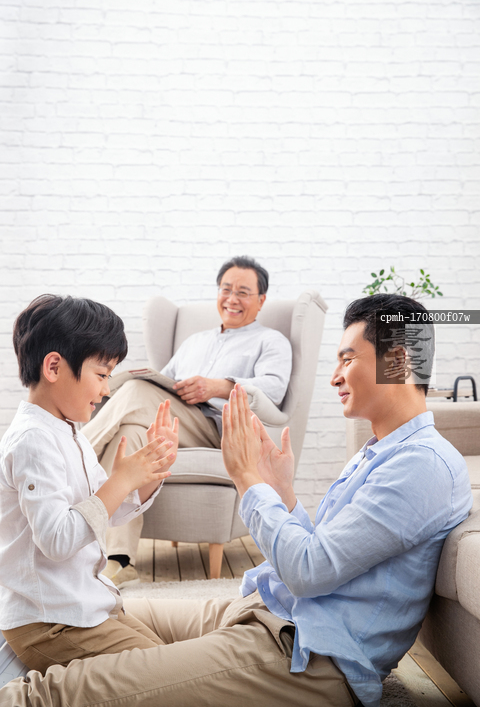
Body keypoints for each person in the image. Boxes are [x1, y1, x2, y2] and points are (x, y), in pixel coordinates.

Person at [0, 293, 471, 707]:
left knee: (76, 686)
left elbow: (311, 570)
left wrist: (248, 480)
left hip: (305, 651)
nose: (334, 377)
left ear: (398, 363)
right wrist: (283, 494)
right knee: (103, 612)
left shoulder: (422, 465)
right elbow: (329, 554)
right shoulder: (378, 452)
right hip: (270, 611)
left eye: (347, 360)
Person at [82, 255, 292, 587]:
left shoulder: (271, 340)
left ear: (261, 300)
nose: (232, 299)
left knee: (135, 392)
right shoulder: (195, 341)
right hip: (177, 420)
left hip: (217, 427)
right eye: (226, 289)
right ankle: (119, 560)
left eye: (243, 292)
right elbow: (162, 383)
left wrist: (219, 386)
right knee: (130, 433)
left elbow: (275, 389)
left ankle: (74, 454)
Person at [0, 295, 178, 675]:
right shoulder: (33, 441)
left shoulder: (70, 433)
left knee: (172, 658)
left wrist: (149, 472)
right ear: (54, 367)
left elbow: (107, 510)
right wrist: (121, 478)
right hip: (48, 623)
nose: (107, 389)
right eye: (101, 375)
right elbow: (57, 539)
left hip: (83, 607)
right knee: (169, 672)